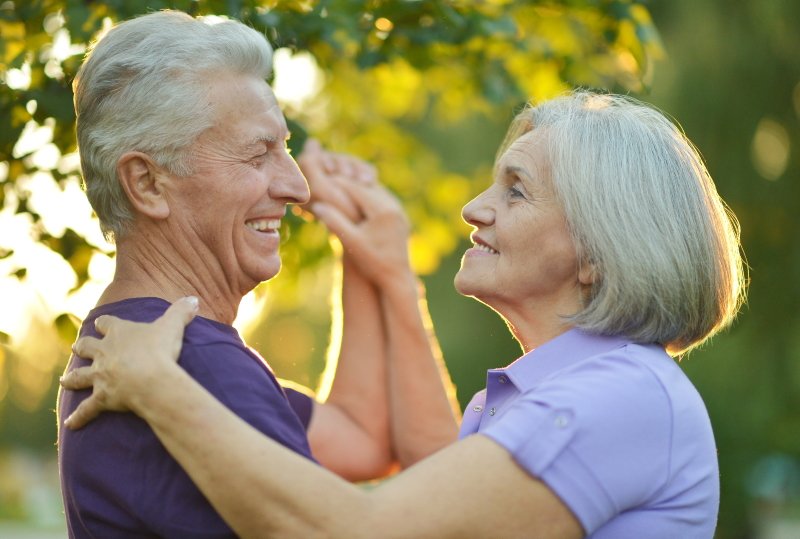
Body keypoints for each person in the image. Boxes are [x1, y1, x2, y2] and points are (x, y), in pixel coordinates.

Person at [62, 90, 747, 538]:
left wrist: (160, 388)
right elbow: (430, 471)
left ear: (597, 251)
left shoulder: (617, 399)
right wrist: (384, 266)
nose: (474, 208)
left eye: (515, 191)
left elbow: (358, 529)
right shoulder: (559, 392)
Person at [57, 10, 459, 538]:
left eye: (286, 148)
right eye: (257, 153)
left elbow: (364, 442)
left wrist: (369, 255)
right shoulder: (190, 361)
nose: (298, 187)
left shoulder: (151, 347)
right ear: (148, 184)